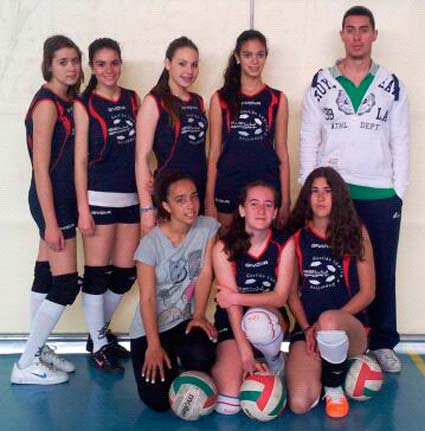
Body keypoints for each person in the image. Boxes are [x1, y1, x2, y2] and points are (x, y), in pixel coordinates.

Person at [299, 6, 409, 373]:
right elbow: (308, 137)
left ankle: (382, 342)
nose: (357, 36)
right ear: (342, 35)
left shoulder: (391, 84)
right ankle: (335, 337)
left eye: (364, 30)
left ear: (374, 35)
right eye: (351, 29)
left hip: (379, 193)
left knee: (383, 270)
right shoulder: (321, 82)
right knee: (333, 270)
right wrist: (307, 190)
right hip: (334, 193)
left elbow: (402, 140)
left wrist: (398, 192)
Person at [11, 35, 83, 385]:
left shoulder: (66, 101)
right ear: (49, 65)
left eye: (75, 60)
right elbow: (41, 167)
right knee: (67, 284)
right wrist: (51, 221)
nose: (71, 67)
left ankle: (36, 349)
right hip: (51, 200)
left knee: (45, 275)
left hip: (64, 199)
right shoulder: (46, 105)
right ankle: (25, 364)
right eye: (63, 62)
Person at [285, 167, 375, 418]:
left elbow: (368, 293)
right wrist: (307, 329)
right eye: (314, 191)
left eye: (328, 191)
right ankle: (320, 371)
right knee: (299, 404)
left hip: (350, 330)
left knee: (329, 319)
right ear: (307, 197)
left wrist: (325, 325)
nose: (321, 197)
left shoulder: (356, 231)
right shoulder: (297, 238)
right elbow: (292, 295)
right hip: (309, 332)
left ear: (338, 196)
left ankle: (334, 386)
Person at [74, 38, 140, 372]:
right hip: (97, 198)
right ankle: (99, 344)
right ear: (92, 68)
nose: (109, 70)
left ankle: (97, 333)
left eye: (114, 62)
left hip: (130, 198)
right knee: (97, 275)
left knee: (126, 273)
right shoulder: (84, 104)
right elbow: (79, 161)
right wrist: (83, 208)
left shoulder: (132, 99)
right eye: (101, 64)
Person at [130, 171, 219, 412]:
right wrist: (153, 345)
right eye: (180, 200)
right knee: (157, 401)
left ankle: (184, 362)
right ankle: (167, 358)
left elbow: (205, 275)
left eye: (194, 197)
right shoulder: (150, 245)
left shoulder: (208, 227)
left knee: (202, 353)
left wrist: (199, 315)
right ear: (166, 205)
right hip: (150, 331)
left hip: (183, 321)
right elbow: (147, 298)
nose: (190, 205)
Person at [211, 181, 295, 415]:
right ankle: (251, 358)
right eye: (254, 204)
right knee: (228, 404)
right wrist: (246, 355)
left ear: (276, 211)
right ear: (241, 209)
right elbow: (230, 308)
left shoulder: (283, 244)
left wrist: (236, 296)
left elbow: (279, 298)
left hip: (269, 318)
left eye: (268, 205)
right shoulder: (223, 247)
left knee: (257, 321)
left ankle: (275, 359)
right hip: (233, 320)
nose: (261, 210)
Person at [205, 30, 290, 230]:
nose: (254, 61)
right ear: (237, 57)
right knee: (227, 251)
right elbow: (214, 152)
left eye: (260, 54)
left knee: (262, 250)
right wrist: (209, 200)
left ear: (266, 57)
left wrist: (285, 200)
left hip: (266, 188)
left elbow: (282, 153)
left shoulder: (277, 99)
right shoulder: (220, 98)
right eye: (247, 55)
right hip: (228, 185)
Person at [136, 36, 208, 233]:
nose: (189, 71)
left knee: (196, 259)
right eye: (182, 64)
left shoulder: (198, 101)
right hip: (171, 197)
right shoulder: (154, 101)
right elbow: (141, 159)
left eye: (194, 65)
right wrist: (146, 208)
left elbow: (198, 151)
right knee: (172, 261)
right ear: (168, 64)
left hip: (197, 194)